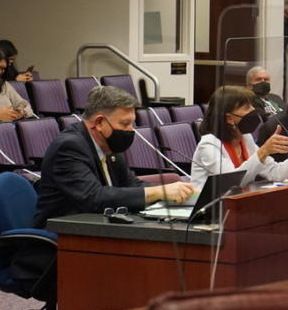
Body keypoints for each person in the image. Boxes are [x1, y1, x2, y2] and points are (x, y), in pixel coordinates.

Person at [34, 86, 194, 227]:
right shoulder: (69, 147)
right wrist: (160, 191)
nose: (131, 130)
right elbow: (94, 198)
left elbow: (130, 184)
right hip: (61, 239)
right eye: (125, 124)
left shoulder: (109, 146)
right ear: (99, 122)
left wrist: (182, 193)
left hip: (99, 230)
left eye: (132, 123)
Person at [190, 86, 288, 190]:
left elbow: (276, 173)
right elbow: (232, 183)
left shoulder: (246, 139)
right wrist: (263, 152)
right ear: (230, 119)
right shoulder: (209, 145)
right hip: (206, 217)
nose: (254, 111)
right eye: (246, 108)